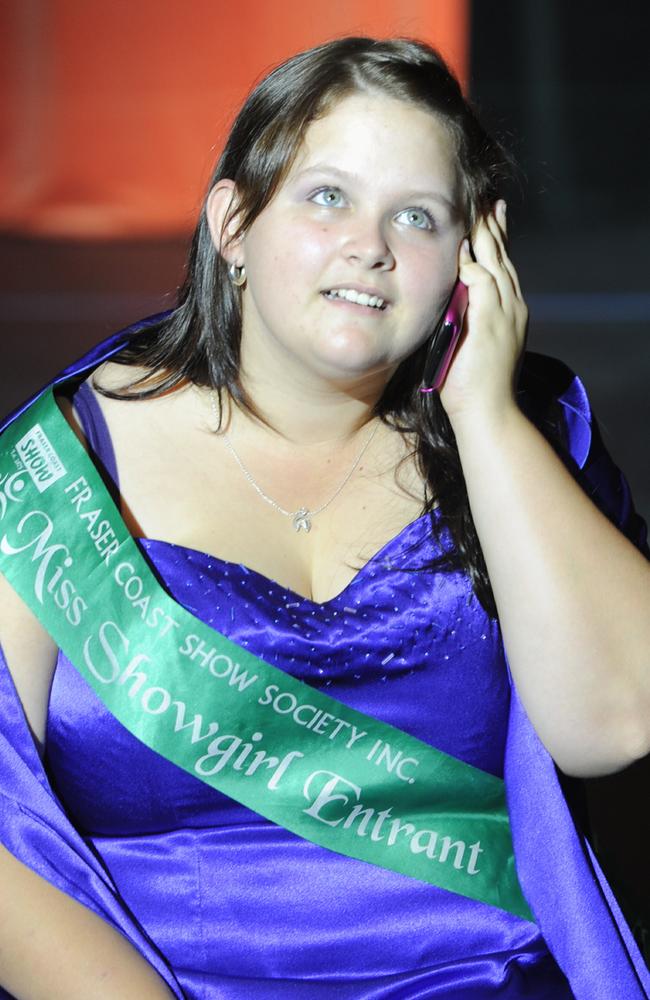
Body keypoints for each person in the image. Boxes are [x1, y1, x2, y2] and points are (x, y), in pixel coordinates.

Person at [0, 35, 648, 1000]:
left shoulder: (527, 442)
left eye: (419, 216)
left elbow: (615, 722)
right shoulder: (57, 471)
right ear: (232, 222)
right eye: (328, 196)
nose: (371, 246)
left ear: (474, 255)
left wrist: (484, 415)